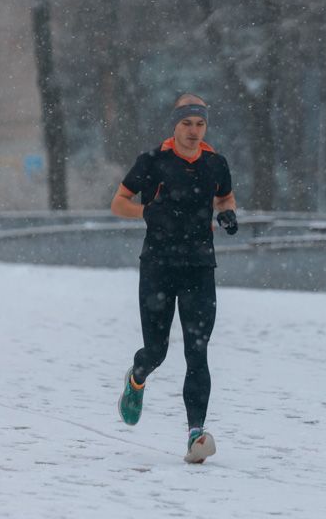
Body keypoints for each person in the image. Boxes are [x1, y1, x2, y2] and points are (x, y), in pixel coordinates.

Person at [110, 93, 238, 463]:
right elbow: (118, 202)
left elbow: (226, 198)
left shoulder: (216, 164)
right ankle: (136, 378)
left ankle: (195, 433)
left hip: (200, 267)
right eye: (187, 124)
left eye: (200, 124)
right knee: (157, 351)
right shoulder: (153, 162)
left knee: (197, 351)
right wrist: (146, 213)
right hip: (158, 267)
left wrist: (227, 214)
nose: (194, 131)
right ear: (175, 125)